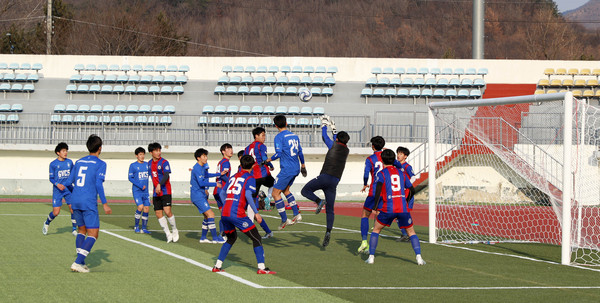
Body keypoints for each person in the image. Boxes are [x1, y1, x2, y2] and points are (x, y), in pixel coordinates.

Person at [213, 155, 276, 274]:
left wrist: (227, 204)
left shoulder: (232, 177)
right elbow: (248, 195)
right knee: (256, 237)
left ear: (240, 165)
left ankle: (217, 265)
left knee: (231, 238)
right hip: (237, 213)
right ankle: (262, 268)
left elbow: (222, 194)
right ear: (253, 165)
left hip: (225, 212)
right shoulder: (250, 178)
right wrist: (256, 213)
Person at [60, 134, 112, 273]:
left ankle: (81, 262)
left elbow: (67, 183)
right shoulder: (101, 164)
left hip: (75, 200)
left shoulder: (79, 162)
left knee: (81, 230)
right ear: (100, 148)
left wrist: (76, 193)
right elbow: (98, 184)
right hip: (88, 202)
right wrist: (105, 203)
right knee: (93, 233)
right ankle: (77, 262)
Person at [365, 149, 425, 265]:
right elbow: (412, 189)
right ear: (394, 160)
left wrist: (376, 206)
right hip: (403, 208)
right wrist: (406, 201)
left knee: (376, 230)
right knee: (411, 232)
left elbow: (377, 191)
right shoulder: (401, 173)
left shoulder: (381, 174)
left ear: (382, 160)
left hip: (388, 208)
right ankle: (419, 258)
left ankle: (371, 257)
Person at [301, 115, 350, 247]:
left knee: (305, 190)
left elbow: (324, 137)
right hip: (334, 181)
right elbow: (337, 140)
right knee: (330, 209)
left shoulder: (333, 145)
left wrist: (324, 124)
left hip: (324, 177)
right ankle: (328, 231)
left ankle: (318, 201)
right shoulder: (346, 150)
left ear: (338, 139)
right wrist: (334, 129)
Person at [266, 114, 307, 230]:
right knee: (286, 190)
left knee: (275, 193)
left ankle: (284, 220)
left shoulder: (279, 137)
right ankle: (296, 214)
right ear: (286, 123)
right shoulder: (294, 136)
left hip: (287, 169)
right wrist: (303, 165)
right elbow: (300, 152)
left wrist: (268, 160)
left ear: (275, 125)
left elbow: (278, 154)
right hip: (296, 168)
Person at [244, 127, 274, 238]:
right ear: (256, 136)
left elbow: (245, 163)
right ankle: (268, 198)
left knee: (252, 200)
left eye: (265, 135)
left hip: (252, 178)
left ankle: (250, 225)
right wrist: (271, 165)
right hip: (263, 174)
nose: (264, 137)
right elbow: (265, 158)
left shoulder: (247, 148)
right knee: (275, 184)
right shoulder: (261, 146)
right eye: (262, 135)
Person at [191, 148, 226, 244]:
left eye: (206, 156)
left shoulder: (202, 167)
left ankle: (203, 238)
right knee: (211, 214)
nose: (206, 158)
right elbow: (202, 183)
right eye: (203, 156)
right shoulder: (197, 168)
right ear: (198, 158)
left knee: (207, 216)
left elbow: (207, 175)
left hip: (200, 195)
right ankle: (215, 238)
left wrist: (219, 174)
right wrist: (216, 184)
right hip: (197, 196)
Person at [357, 136, 385, 254]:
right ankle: (371, 247)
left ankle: (364, 241)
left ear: (373, 146)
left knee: (365, 214)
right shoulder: (388, 157)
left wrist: (365, 184)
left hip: (374, 191)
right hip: (385, 192)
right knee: (378, 217)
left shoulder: (370, 159)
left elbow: (366, 174)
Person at [43, 142, 77, 236]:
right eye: (63, 151)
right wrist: (57, 184)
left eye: (66, 151)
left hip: (68, 189)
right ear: (58, 152)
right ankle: (46, 223)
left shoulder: (69, 162)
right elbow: (51, 178)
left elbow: (73, 175)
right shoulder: (53, 164)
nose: (65, 153)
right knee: (56, 212)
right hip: (58, 191)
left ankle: (74, 229)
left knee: (73, 208)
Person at [148, 142, 179, 243]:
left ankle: (174, 230)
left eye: (159, 150)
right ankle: (168, 234)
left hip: (165, 190)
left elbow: (166, 175)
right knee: (158, 213)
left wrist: (159, 184)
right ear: (151, 152)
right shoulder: (149, 163)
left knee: (167, 211)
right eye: (156, 151)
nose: (158, 152)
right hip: (155, 193)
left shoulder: (164, 162)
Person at [128, 147, 151, 234]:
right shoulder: (133, 165)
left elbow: (152, 174)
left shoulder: (147, 165)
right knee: (140, 207)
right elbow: (130, 178)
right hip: (137, 191)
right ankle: (136, 226)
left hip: (146, 192)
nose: (142, 156)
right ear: (136, 155)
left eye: (143, 154)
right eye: (140, 154)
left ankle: (144, 228)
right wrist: (140, 185)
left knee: (146, 209)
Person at [394, 146, 415, 242]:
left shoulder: (407, 167)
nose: (398, 155)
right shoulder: (396, 166)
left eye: (401, 154)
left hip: (407, 194)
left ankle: (409, 234)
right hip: (399, 194)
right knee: (398, 214)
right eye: (398, 153)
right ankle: (405, 234)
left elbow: (413, 178)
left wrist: (408, 187)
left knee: (404, 214)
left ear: (405, 156)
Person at [213, 143, 233, 237]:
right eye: (228, 149)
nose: (231, 150)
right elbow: (223, 175)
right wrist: (231, 183)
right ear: (223, 151)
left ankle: (222, 233)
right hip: (222, 190)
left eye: (231, 148)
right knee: (227, 212)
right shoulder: (225, 162)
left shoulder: (221, 162)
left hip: (217, 190)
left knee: (223, 213)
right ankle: (225, 233)